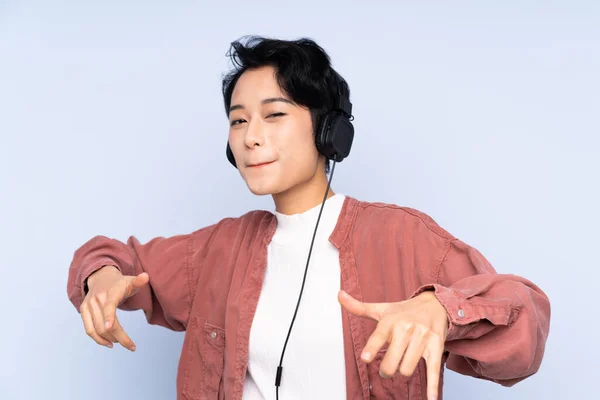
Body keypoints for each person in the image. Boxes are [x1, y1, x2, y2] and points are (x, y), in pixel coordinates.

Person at [66, 36, 551, 400]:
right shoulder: (218, 249)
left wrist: (442, 309)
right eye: (238, 120)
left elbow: (524, 329)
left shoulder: (404, 238)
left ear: (328, 132)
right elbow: (113, 257)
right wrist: (103, 276)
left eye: (273, 114)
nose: (250, 137)